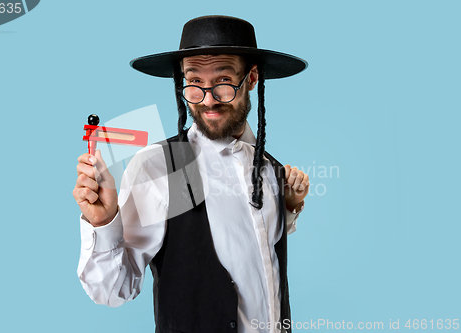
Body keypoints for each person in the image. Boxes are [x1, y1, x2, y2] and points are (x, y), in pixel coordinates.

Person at [73, 15, 309, 333]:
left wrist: (288, 206)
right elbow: (113, 290)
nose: (208, 99)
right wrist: (103, 223)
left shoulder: (269, 169)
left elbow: (255, 248)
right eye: (194, 82)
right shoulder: (165, 167)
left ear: (252, 78)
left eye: (223, 81)